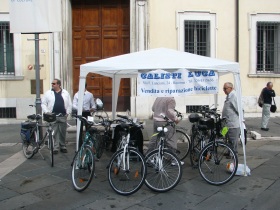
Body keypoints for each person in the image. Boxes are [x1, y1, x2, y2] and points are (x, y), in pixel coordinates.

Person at [146, 97, 182, 164]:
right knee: (171, 140)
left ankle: (149, 157)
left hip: (156, 121)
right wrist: (176, 119)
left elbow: (153, 108)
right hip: (166, 122)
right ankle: (174, 160)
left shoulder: (158, 97)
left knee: (155, 139)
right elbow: (170, 111)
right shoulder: (171, 99)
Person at [41, 79, 72, 154]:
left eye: (54, 83)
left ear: (58, 84)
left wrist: (68, 113)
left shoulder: (65, 93)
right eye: (52, 83)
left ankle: (63, 146)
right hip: (52, 116)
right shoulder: (48, 93)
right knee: (54, 132)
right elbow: (43, 103)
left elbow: (69, 104)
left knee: (62, 132)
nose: (52, 85)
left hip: (62, 115)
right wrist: (47, 112)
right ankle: (55, 147)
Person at [72, 83, 96, 148]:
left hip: (88, 113)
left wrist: (92, 108)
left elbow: (93, 104)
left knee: (89, 128)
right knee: (79, 129)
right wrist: (79, 108)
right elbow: (74, 105)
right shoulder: (76, 94)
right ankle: (80, 145)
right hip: (79, 113)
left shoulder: (90, 94)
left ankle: (90, 143)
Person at [222, 82, 240, 156]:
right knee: (228, 138)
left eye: (225, 88)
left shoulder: (234, 96)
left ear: (231, 88)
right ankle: (229, 152)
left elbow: (239, 109)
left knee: (233, 140)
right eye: (223, 89)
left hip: (233, 123)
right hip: (227, 123)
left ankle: (233, 154)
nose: (224, 90)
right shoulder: (229, 96)